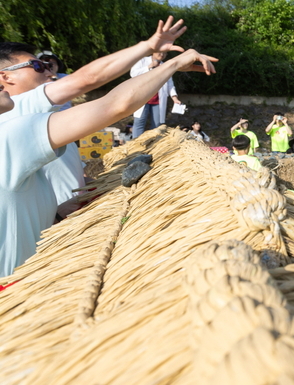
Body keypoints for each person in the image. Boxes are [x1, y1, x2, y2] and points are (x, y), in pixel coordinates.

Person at [0, 40, 216, 277]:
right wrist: (172, 64)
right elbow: (115, 105)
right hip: (18, 290)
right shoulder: (8, 133)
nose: (48, 70)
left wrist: (56, 212)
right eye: (37, 65)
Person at [0, 18, 188, 213]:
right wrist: (165, 59)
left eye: (49, 65)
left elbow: (72, 178)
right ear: (5, 76)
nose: (49, 71)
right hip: (61, 235)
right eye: (38, 66)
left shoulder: (47, 119)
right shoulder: (16, 120)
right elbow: (97, 87)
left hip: (67, 221)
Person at [130, 51, 182, 138]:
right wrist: (149, 66)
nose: (162, 55)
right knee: (139, 122)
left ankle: (153, 147)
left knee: (157, 124)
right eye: (159, 52)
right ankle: (135, 147)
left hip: (157, 100)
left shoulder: (166, 66)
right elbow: (133, 74)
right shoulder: (142, 61)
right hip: (143, 97)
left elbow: (170, 83)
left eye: (164, 53)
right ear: (153, 52)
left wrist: (175, 98)